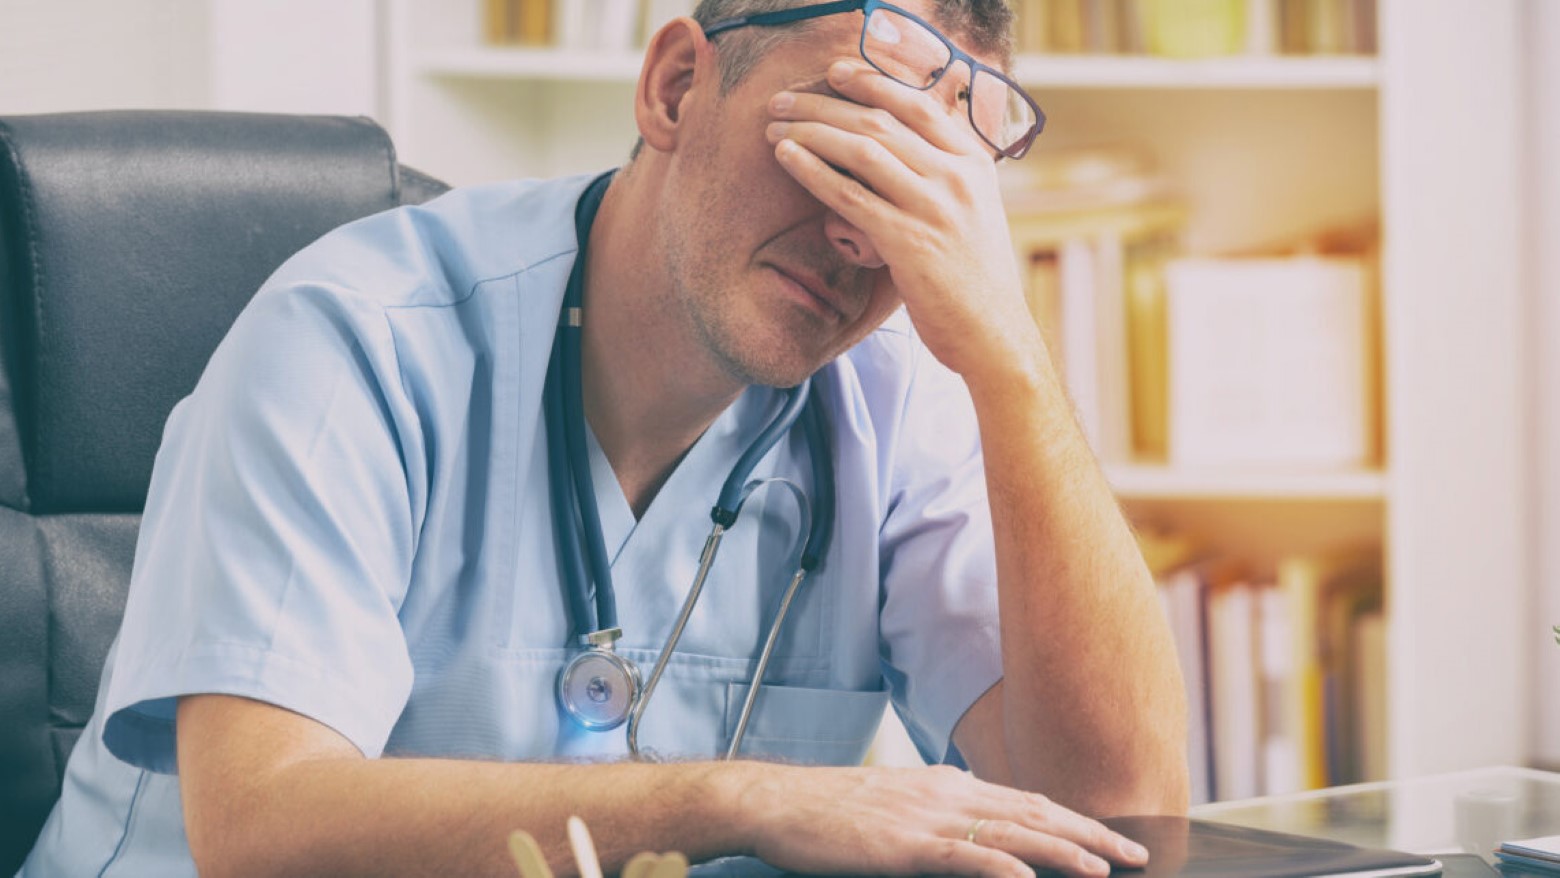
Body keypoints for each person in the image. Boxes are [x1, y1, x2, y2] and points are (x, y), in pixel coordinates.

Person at [21, 1, 1188, 876]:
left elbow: (1122, 813)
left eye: (920, 196)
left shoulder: (897, 395)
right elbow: (261, 830)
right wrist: (744, 798)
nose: (859, 239)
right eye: (844, 144)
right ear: (677, 87)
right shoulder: (356, 338)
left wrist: (1010, 358)